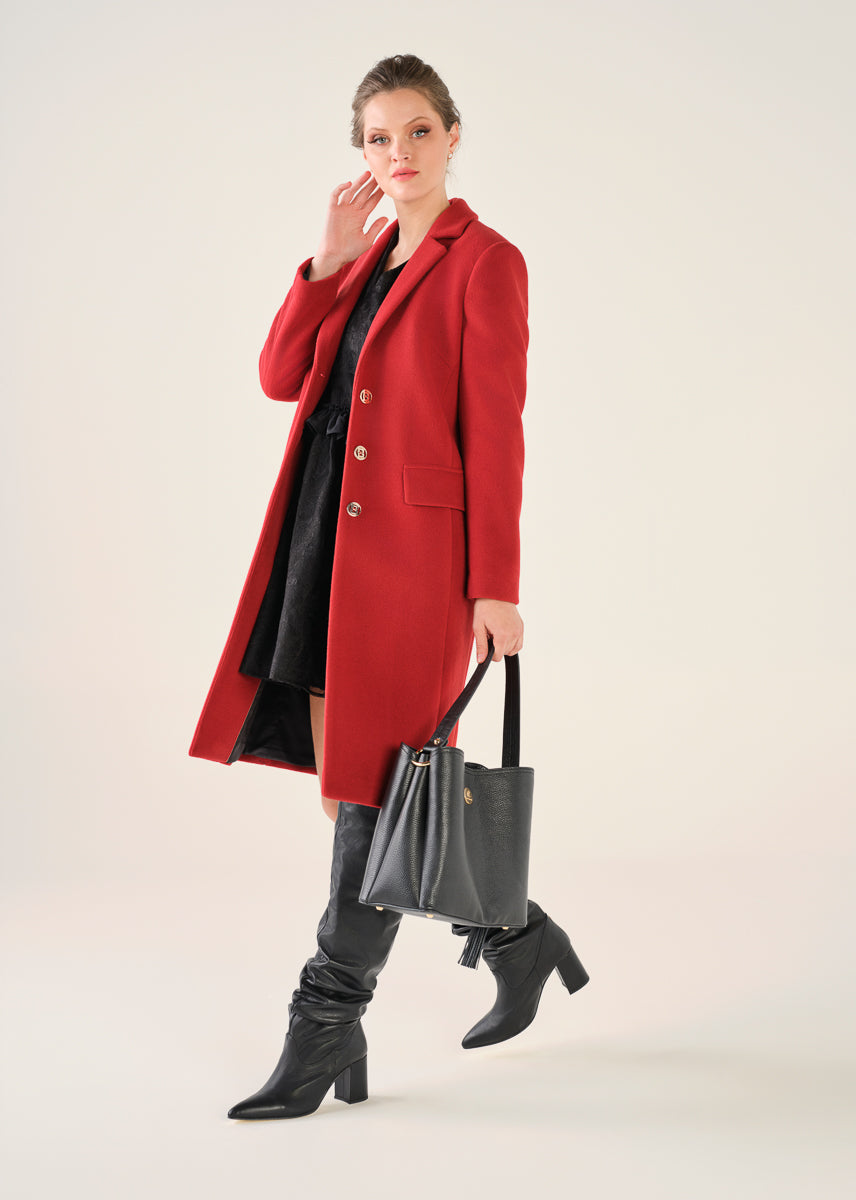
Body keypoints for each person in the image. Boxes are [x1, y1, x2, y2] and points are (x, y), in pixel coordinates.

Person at [189, 53, 588, 1120]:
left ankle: (325, 1022)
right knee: (353, 792)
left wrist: (494, 585)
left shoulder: (486, 260)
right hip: (320, 547)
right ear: (359, 153)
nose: (398, 153)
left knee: (372, 796)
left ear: (453, 136)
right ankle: (515, 936)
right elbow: (279, 379)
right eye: (378, 137)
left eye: (417, 131)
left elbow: (495, 432)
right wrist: (325, 261)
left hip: (413, 563)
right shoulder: (361, 261)